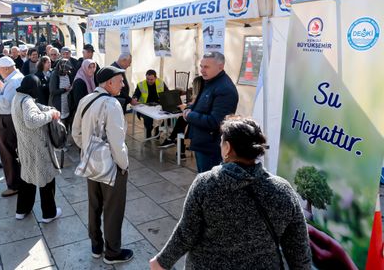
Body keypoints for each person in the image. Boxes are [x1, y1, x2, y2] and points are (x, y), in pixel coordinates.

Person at [149, 116, 311, 270]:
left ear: (227, 148)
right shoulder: (283, 190)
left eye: (221, 142)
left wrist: (162, 261)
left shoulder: (206, 184)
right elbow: (298, 248)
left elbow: (186, 233)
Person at [72, 66, 132, 265]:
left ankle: (96, 246)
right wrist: (124, 164)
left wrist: (89, 150)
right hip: (111, 165)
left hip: (90, 162)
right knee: (113, 208)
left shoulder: (86, 99)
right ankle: (113, 252)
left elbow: (76, 133)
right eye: (120, 81)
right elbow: (117, 141)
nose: (123, 84)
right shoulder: (112, 104)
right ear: (109, 83)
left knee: (94, 204)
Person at [11, 75, 63, 223]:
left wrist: (47, 109)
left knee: (27, 179)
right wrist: (50, 114)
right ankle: (49, 214)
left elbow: (35, 107)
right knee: (46, 179)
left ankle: (21, 210)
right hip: (38, 148)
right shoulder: (26, 100)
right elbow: (32, 120)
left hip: (25, 147)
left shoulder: (18, 97)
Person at [183, 52, 239, 172]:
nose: (202, 70)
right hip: (202, 143)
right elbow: (203, 105)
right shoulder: (210, 81)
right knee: (204, 180)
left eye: (206, 67)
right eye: (201, 66)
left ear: (221, 66)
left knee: (209, 183)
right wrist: (191, 108)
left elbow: (215, 122)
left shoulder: (225, 89)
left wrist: (189, 115)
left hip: (211, 148)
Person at [0, 56, 24, 197]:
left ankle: (14, 185)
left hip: (5, 120)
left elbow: (6, 103)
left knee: (7, 153)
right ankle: (16, 181)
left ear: (7, 68)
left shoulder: (14, 81)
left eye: (0, 69)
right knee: (11, 151)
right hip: (8, 119)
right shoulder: (15, 78)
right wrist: (1, 86)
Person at [132, 69, 170, 138]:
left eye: (151, 79)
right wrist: (135, 98)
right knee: (148, 117)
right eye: (147, 79)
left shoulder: (161, 82)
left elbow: (167, 93)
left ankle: (158, 129)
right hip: (144, 107)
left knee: (169, 116)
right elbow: (135, 95)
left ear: (156, 78)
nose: (149, 81)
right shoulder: (141, 84)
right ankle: (148, 131)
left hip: (158, 106)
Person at [49, 58, 73, 128]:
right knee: (59, 125)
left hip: (66, 101)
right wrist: (64, 90)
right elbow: (52, 91)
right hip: (58, 103)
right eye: (65, 69)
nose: (67, 71)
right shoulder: (55, 75)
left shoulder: (68, 74)